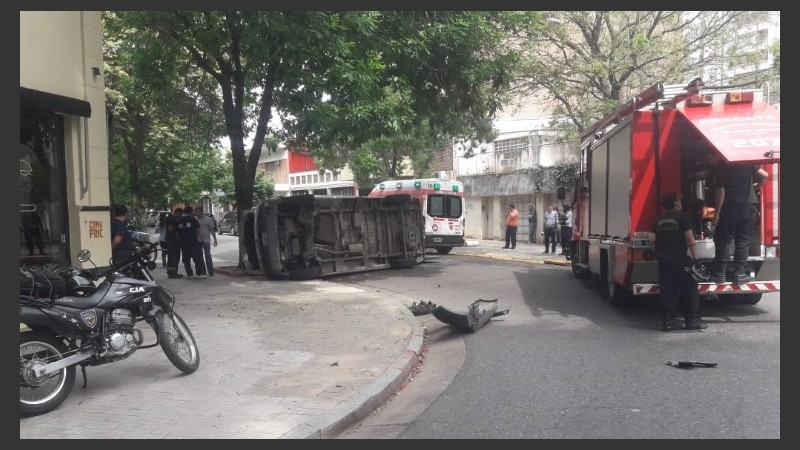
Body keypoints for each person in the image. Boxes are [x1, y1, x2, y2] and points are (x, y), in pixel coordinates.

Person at [653, 192, 706, 331]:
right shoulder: (684, 217)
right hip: (680, 260)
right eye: (679, 200)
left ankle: (668, 322)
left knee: (667, 290)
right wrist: (696, 259)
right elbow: (689, 238)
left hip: (664, 261)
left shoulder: (658, 219)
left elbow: (652, 239)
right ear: (676, 202)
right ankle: (691, 321)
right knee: (689, 289)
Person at [709, 162, 768, 283]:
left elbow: (721, 191)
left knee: (724, 239)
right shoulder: (747, 163)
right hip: (749, 207)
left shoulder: (722, 166)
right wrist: (756, 187)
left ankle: (720, 273)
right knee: (743, 241)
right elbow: (765, 175)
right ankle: (739, 274)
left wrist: (717, 213)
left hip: (730, 206)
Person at [177, 205, 207, 279]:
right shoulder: (193, 219)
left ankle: (189, 274)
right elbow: (198, 230)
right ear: (191, 212)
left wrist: (179, 241)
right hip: (193, 242)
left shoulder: (180, 220)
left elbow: (177, 232)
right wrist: (202, 240)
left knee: (186, 259)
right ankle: (198, 274)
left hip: (183, 243)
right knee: (197, 259)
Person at [194, 206, 218, 277]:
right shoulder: (194, 219)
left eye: (197, 212)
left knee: (208, 256)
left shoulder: (208, 219)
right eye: (195, 212)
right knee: (199, 256)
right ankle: (202, 271)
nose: (196, 213)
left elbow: (211, 230)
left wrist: (215, 239)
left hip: (206, 240)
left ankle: (210, 271)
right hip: (198, 240)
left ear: (201, 212)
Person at [166, 208, 183, 279]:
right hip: (173, 240)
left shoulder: (170, 217)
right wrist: (178, 228)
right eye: (180, 214)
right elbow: (170, 229)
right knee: (174, 257)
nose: (180, 216)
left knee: (171, 257)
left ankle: (171, 272)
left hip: (171, 240)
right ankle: (173, 273)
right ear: (178, 212)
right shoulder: (172, 218)